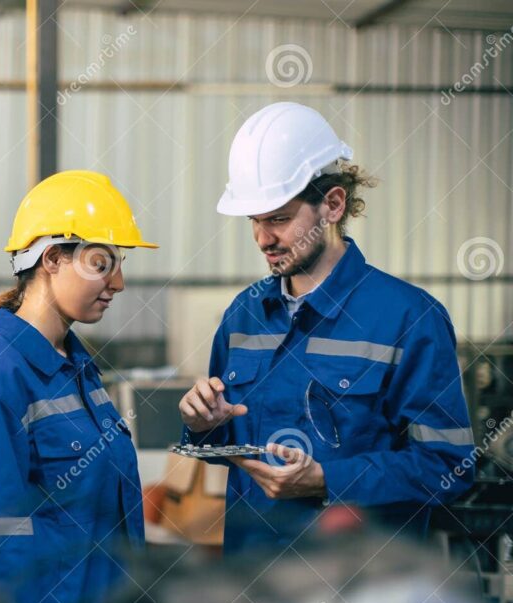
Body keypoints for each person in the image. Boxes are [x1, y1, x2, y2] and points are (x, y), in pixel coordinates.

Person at [178, 102, 475, 554]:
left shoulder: (409, 319)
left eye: (278, 218)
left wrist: (327, 480)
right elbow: (225, 445)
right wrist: (201, 426)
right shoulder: (244, 314)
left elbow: (448, 466)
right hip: (251, 587)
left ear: (332, 205)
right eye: (254, 220)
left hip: (355, 596)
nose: (262, 238)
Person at [0, 170, 158, 603]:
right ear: (52, 258)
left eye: (120, 263)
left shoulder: (75, 367)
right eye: (103, 262)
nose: (118, 282)